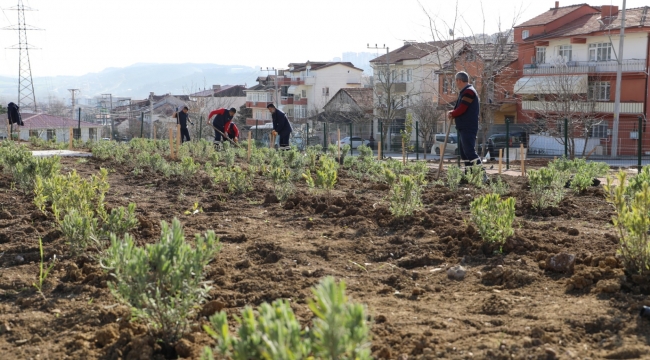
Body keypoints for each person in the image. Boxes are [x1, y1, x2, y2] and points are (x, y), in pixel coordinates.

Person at [447, 71, 485, 180]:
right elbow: (460, 108)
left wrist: (452, 113)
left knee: (469, 151)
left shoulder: (469, 92)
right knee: (464, 154)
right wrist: (453, 112)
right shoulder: (465, 92)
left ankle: (482, 176)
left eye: (456, 81)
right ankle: (470, 176)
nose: (456, 83)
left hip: (468, 126)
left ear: (459, 80)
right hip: (463, 127)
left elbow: (463, 108)